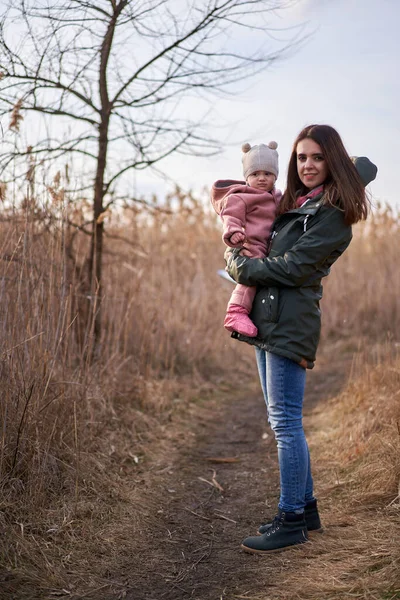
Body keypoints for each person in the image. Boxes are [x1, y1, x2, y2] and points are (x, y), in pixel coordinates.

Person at [224, 124, 377, 554]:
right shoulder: (297, 204)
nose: (307, 165)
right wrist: (238, 249)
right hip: (267, 320)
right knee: (283, 421)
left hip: (291, 324)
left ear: (333, 162)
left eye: (317, 158)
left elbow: (293, 268)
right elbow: (258, 241)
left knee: (286, 424)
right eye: (302, 157)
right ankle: (306, 509)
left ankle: (290, 519)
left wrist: (241, 267)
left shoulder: (332, 213)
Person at [211, 141, 282, 337]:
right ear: (246, 177)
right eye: (255, 174)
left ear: (275, 176)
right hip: (252, 243)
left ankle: (251, 311)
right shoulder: (241, 197)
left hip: (273, 245)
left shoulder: (277, 196)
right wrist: (234, 233)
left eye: (267, 174)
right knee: (251, 275)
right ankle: (235, 312)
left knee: (263, 277)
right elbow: (231, 217)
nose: (261, 179)